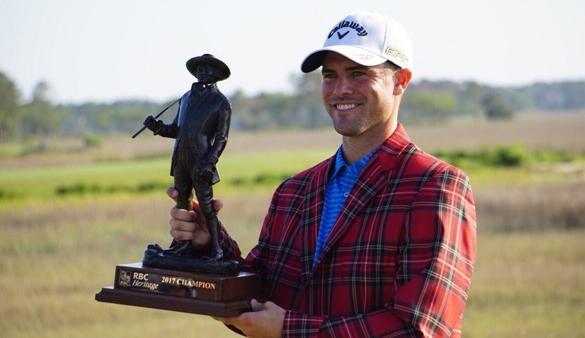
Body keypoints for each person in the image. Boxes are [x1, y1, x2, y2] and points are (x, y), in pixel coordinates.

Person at [167, 11, 477, 337]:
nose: (341, 89)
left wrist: (290, 329)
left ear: (400, 81)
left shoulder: (434, 186)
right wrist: (210, 243)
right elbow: (260, 299)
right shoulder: (294, 191)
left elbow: (422, 329)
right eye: (330, 75)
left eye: (358, 73)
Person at [144, 53, 232, 261]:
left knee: (206, 205)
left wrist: (209, 162)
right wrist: (156, 127)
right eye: (199, 69)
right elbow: (176, 129)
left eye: (207, 69)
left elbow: (221, 138)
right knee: (183, 202)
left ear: (216, 74)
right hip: (180, 159)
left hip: (201, 161)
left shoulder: (221, 102)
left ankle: (217, 250)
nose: (202, 72)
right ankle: (183, 247)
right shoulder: (185, 97)